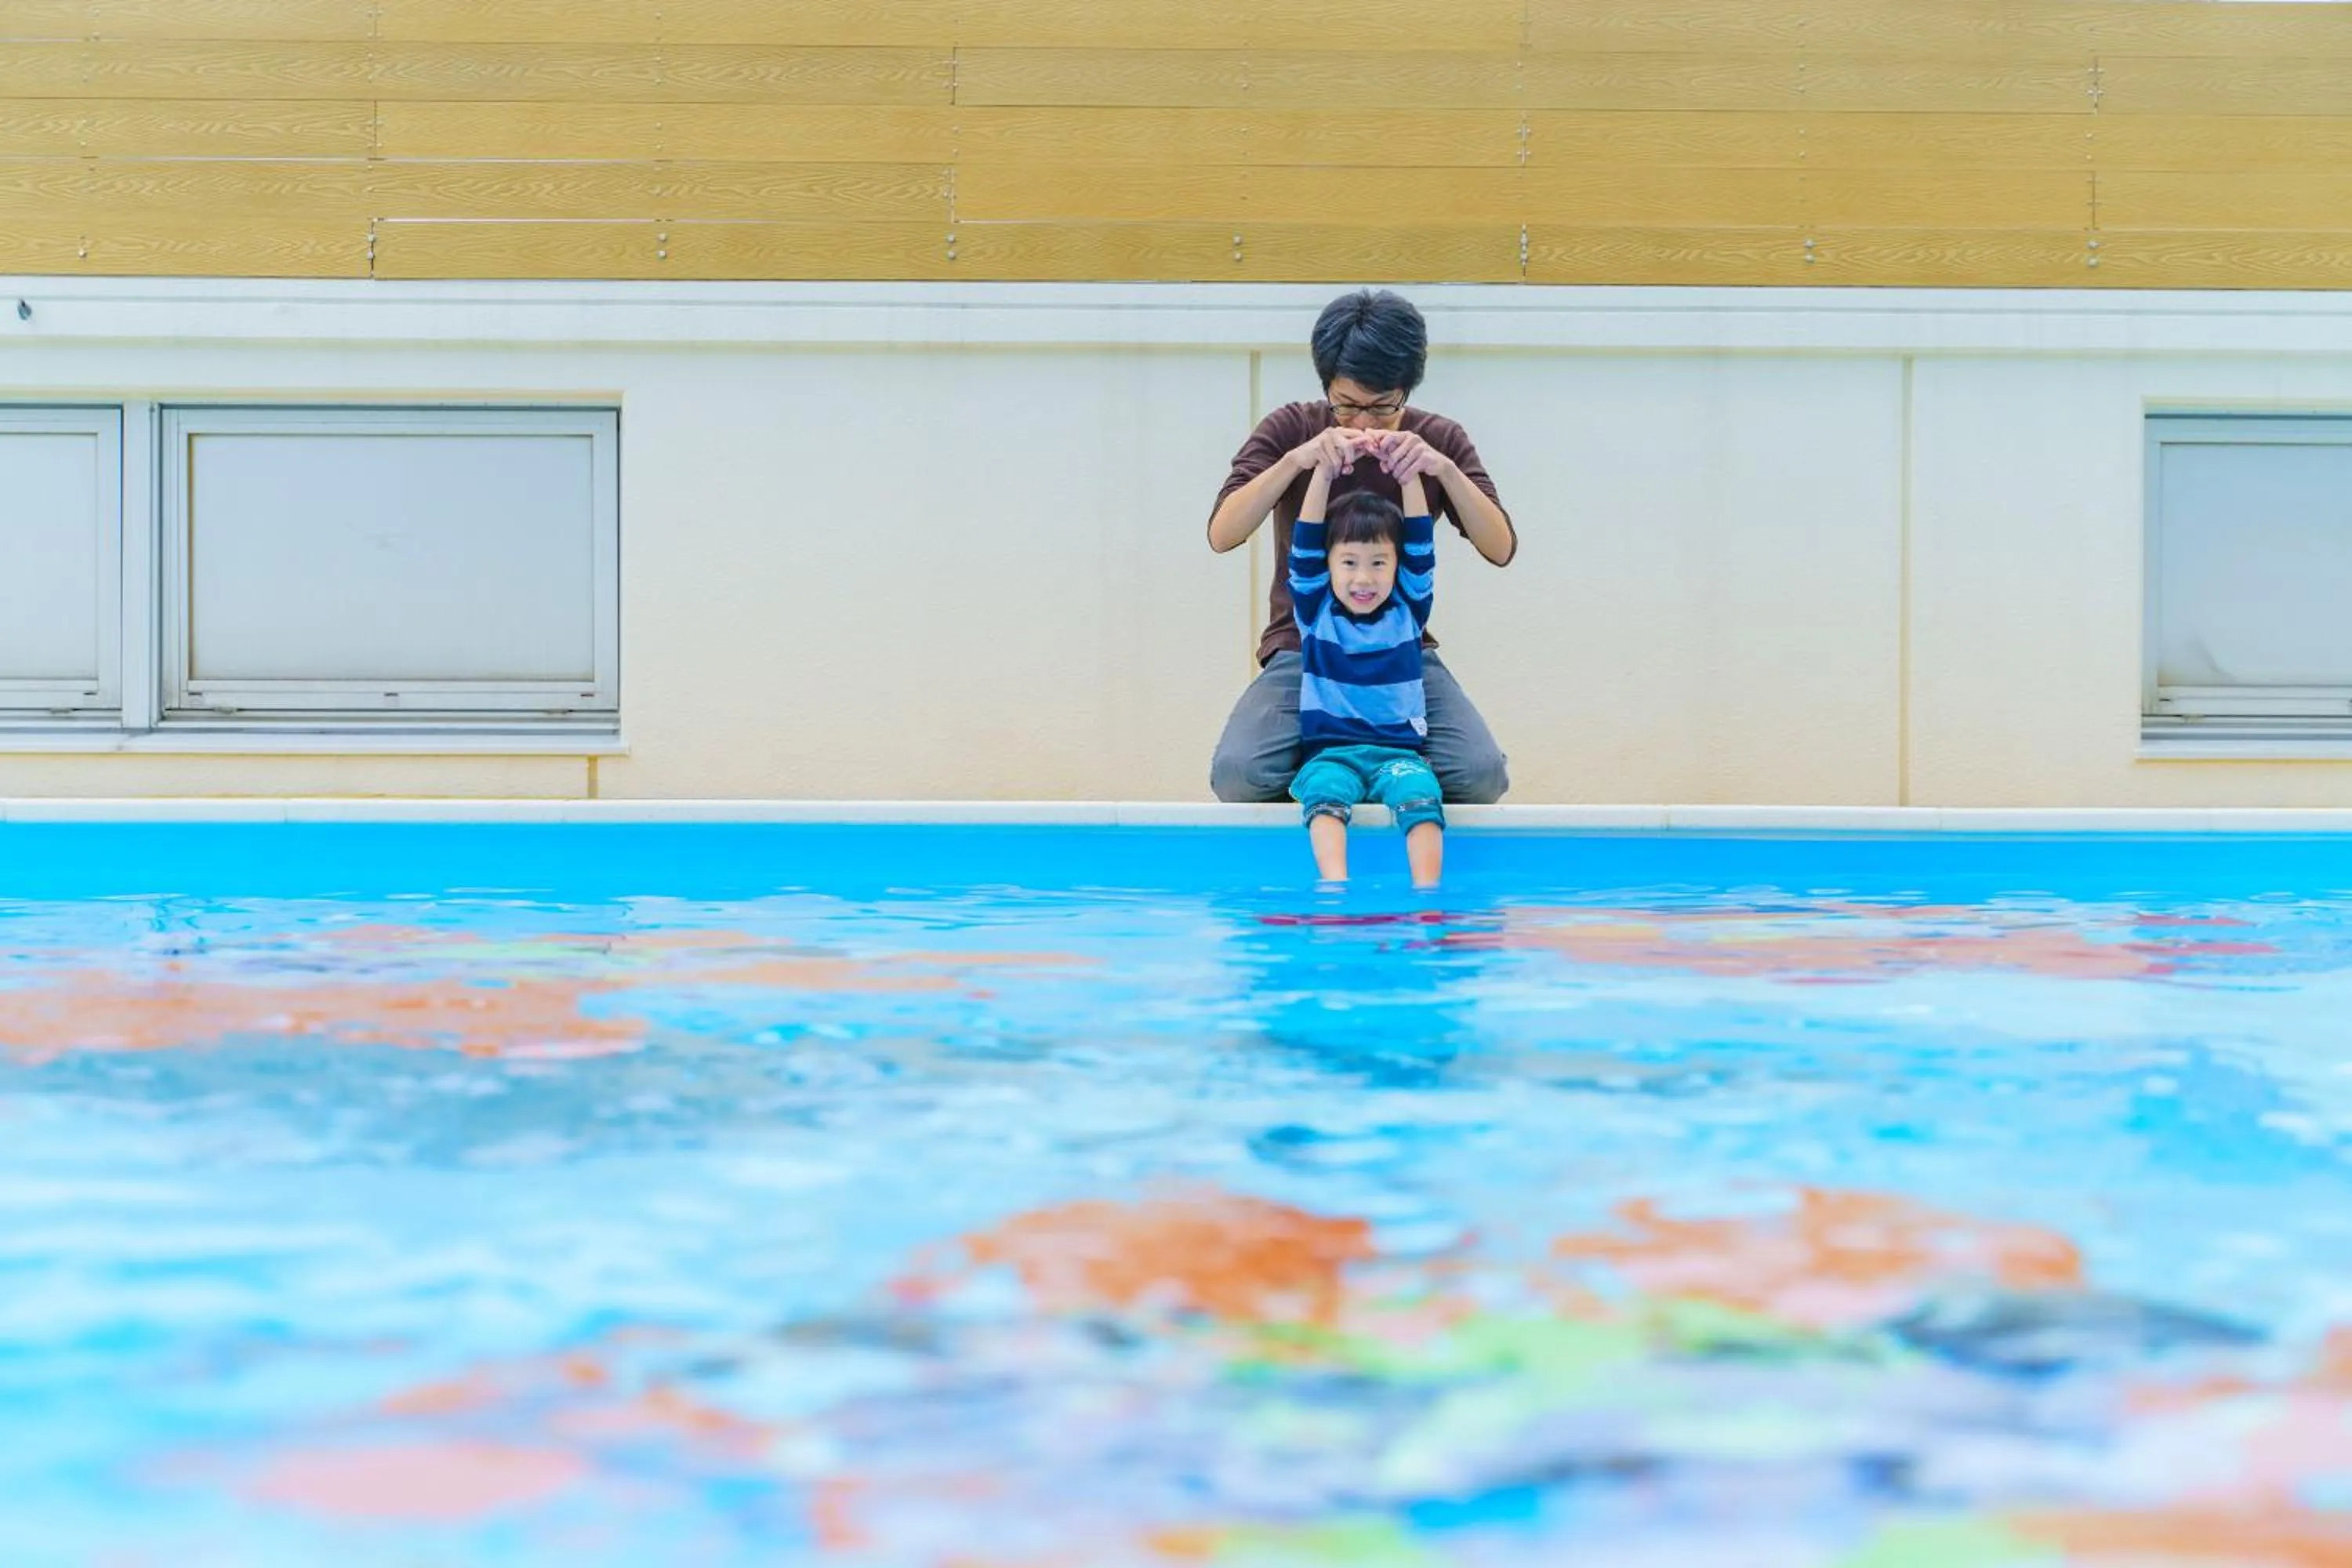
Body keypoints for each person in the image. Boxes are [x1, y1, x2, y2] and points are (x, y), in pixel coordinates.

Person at [1206, 289, 1515, 805]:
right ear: (1326, 386)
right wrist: (1296, 461)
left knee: (1480, 776)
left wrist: (1442, 469)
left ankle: (1383, 766)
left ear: (1407, 391)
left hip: (1401, 652)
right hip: (1304, 646)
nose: (1365, 424)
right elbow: (1223, 533)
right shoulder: (1293, 428)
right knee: (1239, 775)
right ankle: (1333, 770)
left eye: (1383, 407)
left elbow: (1500, 546)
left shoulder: (1437, 438)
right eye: (1347, 406)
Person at [1287, 445, 1443, 887]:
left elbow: (1420, 542)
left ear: (1396, 566)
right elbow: (1305, 542)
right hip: (1332, 754)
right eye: (1349, 563)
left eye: (1379, 563)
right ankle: (1336, 889)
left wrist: (1409, 474)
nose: (1363, 578)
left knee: (1421, 796)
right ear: (1329, 566)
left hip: (1398, 754)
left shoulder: (1409, 608)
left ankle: (1427, 896)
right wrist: (1322, 473)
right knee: (1324, 797)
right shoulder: (1316, 611)